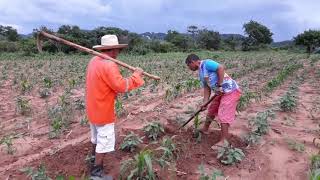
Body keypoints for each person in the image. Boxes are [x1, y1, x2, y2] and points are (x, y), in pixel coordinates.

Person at [86, 35, 144, 179]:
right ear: (113, 50)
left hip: (93, 107)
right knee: (104, 140)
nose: (118, 52)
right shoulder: (109, 64)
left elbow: (102, 83)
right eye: (118, 50)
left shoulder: (94, 60)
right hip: (103, 109)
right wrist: (136, 75)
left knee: (96, 137)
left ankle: (92, 160)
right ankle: (96, 173)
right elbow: (121, 85)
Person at [185, 54, 241, 149]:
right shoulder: (201, 72)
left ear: (193, 62)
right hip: (220, 93)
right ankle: (205, 129)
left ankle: (224, 141)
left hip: (230, 91)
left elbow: (220, 68)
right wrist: (205, 103)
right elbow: (207, 88)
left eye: (188, 65)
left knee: (223, 113)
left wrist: (219, 85)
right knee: (211, 110)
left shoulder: (207, 63)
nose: (189, 68)